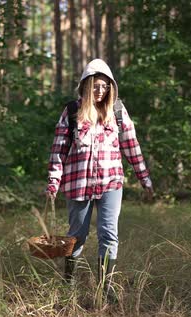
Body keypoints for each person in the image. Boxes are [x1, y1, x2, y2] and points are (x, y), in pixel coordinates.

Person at [45, 58, 153, 299]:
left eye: (105, 87)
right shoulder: (71, 111)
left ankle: (106, 288)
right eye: (96, 85)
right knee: (76, 236)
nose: (100, 91)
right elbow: (58, 150)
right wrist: (53, 182)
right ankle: (68, 285)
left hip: (110, 183)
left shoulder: (117, 111)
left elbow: (131, 146)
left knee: (109, 234)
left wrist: (144, 179)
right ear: (86, 84)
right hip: (77, 183)